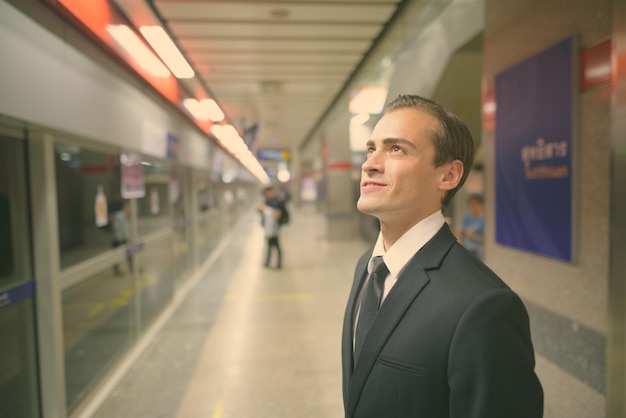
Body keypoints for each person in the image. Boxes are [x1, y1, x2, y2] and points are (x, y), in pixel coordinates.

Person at [341, 94, 543, 418]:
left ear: (448, 176)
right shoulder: (367, 268)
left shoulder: (483, 306)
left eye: (396, 149)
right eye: (371, 148)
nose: (370, 163)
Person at [259, 187, 283, 269]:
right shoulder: (267, 201)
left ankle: (278, 263)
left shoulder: (277, 202)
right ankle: (268, 262)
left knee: (276, 245)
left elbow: (277, 215)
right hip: (268, 228)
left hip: (274, 228)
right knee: (270, 245)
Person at [456, 194, 485, 260]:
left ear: (481, 205)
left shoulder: (485, 220)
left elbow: (487, 240)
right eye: (471, 205)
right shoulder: (467, 218)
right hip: (466, 250)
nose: (473, 207)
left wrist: (472, 236)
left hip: (479, 251)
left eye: (475, 204)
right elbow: (461, 230)